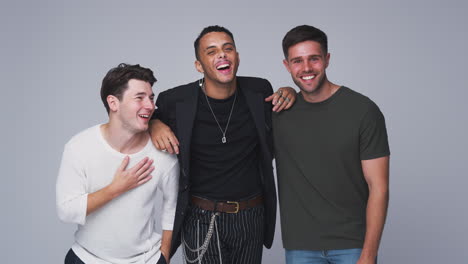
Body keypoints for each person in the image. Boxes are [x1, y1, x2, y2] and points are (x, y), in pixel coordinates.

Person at [150, 25, 296, 264]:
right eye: (211, 51)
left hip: (251, 215)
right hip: (201, 217)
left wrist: (292, 92)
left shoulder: (259, 90)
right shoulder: (175, 101)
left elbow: (285, 112)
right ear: (199, 66)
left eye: (228, 48)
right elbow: (139, 118)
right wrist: (154, 123)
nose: (222, 54)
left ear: (237, 57)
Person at [274, 25, 390, 264]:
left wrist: (368, 255)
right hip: (300, 248)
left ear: (327, 59)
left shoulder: (363, 111)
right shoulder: (278, 112)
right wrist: (171, 124)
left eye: (313, 59)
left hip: (353, 246)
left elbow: (379, 187)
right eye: (297, 61)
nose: (306, 68)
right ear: (287, 65)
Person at [56, 63, 178, 264]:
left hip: (146, 260)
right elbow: (66, 211)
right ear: (113, 103)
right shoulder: (79, 147)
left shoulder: (162, 154)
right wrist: (115, 189)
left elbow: (172, 208)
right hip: (86, 259)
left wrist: (164, 256)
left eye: (151, 97)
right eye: (139, 97)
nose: (150, 105)